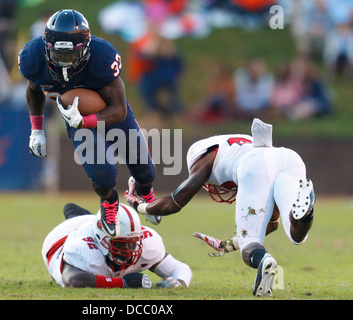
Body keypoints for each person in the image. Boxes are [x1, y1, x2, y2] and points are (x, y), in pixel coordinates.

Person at [125, 118, 315, 297]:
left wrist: (140, 205)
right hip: (289, 158)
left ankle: (263, 260)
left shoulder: (204, 158)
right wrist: (229, 244)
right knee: (296, 235)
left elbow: (175, 202)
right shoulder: (245, 151)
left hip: (254, 164)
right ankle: (307, 213)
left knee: (250, 244)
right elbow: (272, 223)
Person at [18, 9, 158, 239]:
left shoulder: (102, 57)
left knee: (145, 169)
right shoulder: (33, 57)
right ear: (46, 46)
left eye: (70, 55)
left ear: (85, 47)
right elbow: (34, 89)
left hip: (108, 113)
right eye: (58, 55)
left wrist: (87, 119)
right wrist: (36, 130)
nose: (64, 62)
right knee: (103, 174)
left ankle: (141, 191)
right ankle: (109, 204)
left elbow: (119, 110)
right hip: (76, 119)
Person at [41, 202, 192, 288]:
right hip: (61, 237)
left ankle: (74, 211)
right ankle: (71, 211)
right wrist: (123, 283)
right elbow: (72, 279)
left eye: (132, 244)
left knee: (87, 217)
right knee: (75, 216)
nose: (129, 250)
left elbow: (181, 268)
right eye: (121, 244)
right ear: (102, 240)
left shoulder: (147, 243)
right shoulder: (82, 248)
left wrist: (178, 282)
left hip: (94, 223)